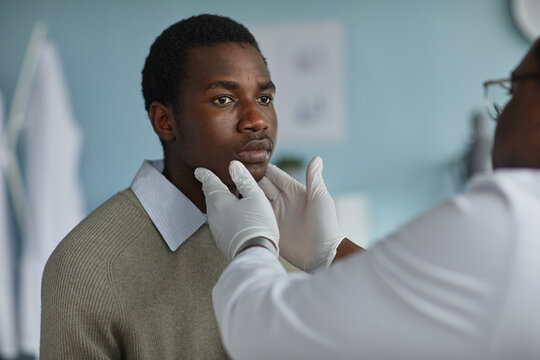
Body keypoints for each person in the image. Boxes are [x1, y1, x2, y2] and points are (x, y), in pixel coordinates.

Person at [196, 39, 540, 359]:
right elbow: (421, 313)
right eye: (223, 99)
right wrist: (332, 252)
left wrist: (252, 243)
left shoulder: (509, 224)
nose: (256, 120)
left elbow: (264, 338)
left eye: (512, 90)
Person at [40, 14, 298, 359]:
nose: (256, 119)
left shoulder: (294, 235)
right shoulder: (86, 267)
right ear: (165, 121)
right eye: (224, 99)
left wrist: (331, 260)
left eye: (264, 98)